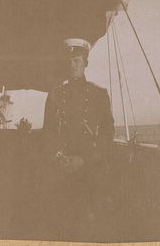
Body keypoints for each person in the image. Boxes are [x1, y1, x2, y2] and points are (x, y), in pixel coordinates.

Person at [43, 38, 115, 239]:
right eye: (69, 61)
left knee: (90, 227)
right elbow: (47, 132)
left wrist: (84, 160)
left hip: (90, 169)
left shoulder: (99, 94)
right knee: (62, 226)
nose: (72, 65)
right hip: (61, 169)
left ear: (85, 63)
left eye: (76, 60)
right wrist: (58, 157)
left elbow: (107, 134)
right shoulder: (55, 95)